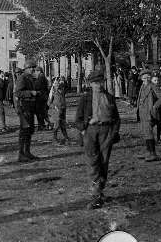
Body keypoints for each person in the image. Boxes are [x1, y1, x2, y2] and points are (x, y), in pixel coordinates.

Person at [75, 69, 120, 210]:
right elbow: (78, 118)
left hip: (106, 131)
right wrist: (84, 130)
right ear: (90, 84)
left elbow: (117, 118)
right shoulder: (85, 98)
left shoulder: (109, 97)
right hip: (90, 131)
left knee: (104, 162)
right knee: (93, 161)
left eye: (100, 82)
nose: (98, 85)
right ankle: (95, 195)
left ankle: (99, 191)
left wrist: (114, 132)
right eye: (95, 83)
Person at [136, 70, 161, 161]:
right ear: (141, 78)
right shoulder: (142, 86)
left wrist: (155, 107)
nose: (146, 79)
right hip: (142, 113)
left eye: (148, 77)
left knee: (149, 132)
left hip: (149, 113)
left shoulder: (153, 86)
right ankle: (148, 151)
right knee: (145, 132)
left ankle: (153, 153)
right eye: (144, 78)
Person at [14, 59, 40, 162]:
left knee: (29, 130)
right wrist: (31, 93)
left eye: (34, 67)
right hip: (24, 108)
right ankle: (21, 154)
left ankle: (27, 152)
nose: (33, 69)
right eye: (31, 68)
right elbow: (17, 93)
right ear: (26, 68)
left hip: (30, 107)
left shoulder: (30, 78)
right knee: (24, 130)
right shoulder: (22, 78)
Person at [48, 76, 69, 145]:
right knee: (57, 124)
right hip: (56, 110)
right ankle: (54, 139)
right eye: (56, 84)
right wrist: (54, 107)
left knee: (63, 124)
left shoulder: (62, 92)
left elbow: (66, 87)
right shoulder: (53, 92)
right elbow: (49, 103)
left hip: (63, 109)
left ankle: (66, 137)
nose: (62, 89)